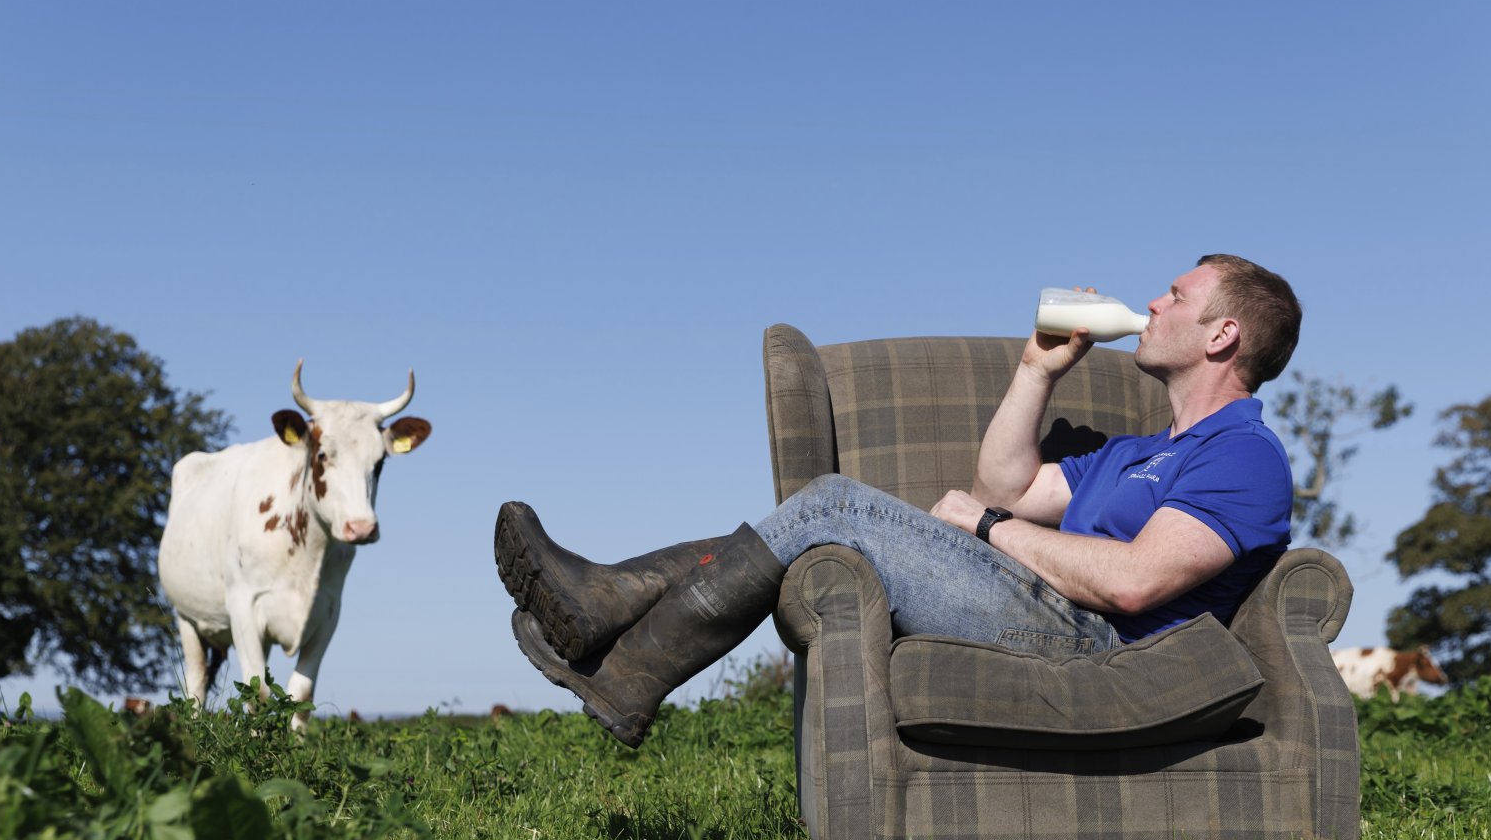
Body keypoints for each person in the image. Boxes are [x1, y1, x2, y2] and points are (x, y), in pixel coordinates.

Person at [495, 254, 1301, 748]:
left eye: (1174, 295)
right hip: (1050, 608)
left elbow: (1132, 583)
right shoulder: (1139, 454)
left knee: (834, 505)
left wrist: (989, 530)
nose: (1154, 304)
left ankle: (621, 648)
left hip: (1102, 646)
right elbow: (1007, 487)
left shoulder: (1241, 456)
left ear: (1221, 335)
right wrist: (1037, 372)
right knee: (826, 517)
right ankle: (611, 620)